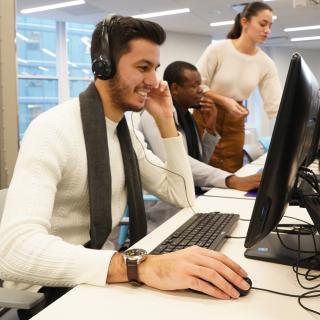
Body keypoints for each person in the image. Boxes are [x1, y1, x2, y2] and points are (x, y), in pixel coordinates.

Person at [0, 15, 250, 319]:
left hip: (99, 276)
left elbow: (183, 195)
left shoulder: (124, 134)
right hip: (50, 292)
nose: (153, 81)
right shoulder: (52, 130)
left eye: (155, 69)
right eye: (142, 67)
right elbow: (14, 251)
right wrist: (139, 266)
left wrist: (165, 121)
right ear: (103, 66)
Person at [139, 61, 261, 230]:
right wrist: (231, 180)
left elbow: (200, 161)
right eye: (194, 86)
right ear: (175, 89)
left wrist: (210, 128)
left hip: (191, 197)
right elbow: (179, 164)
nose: (201, 90)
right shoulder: (154, 117)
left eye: (200, 85)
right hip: (165, 209)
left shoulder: (187, 117)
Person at [193, 1, 282, 173]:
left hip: (235, 123)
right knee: (201, 171)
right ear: (244, 22)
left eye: (270, 26)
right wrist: (223, 100)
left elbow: (275, 105)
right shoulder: (218, 50)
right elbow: (196, 86)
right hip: (206, 115)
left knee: (231, 174)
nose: (267, 30)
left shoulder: (266, 63)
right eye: (262, 24)